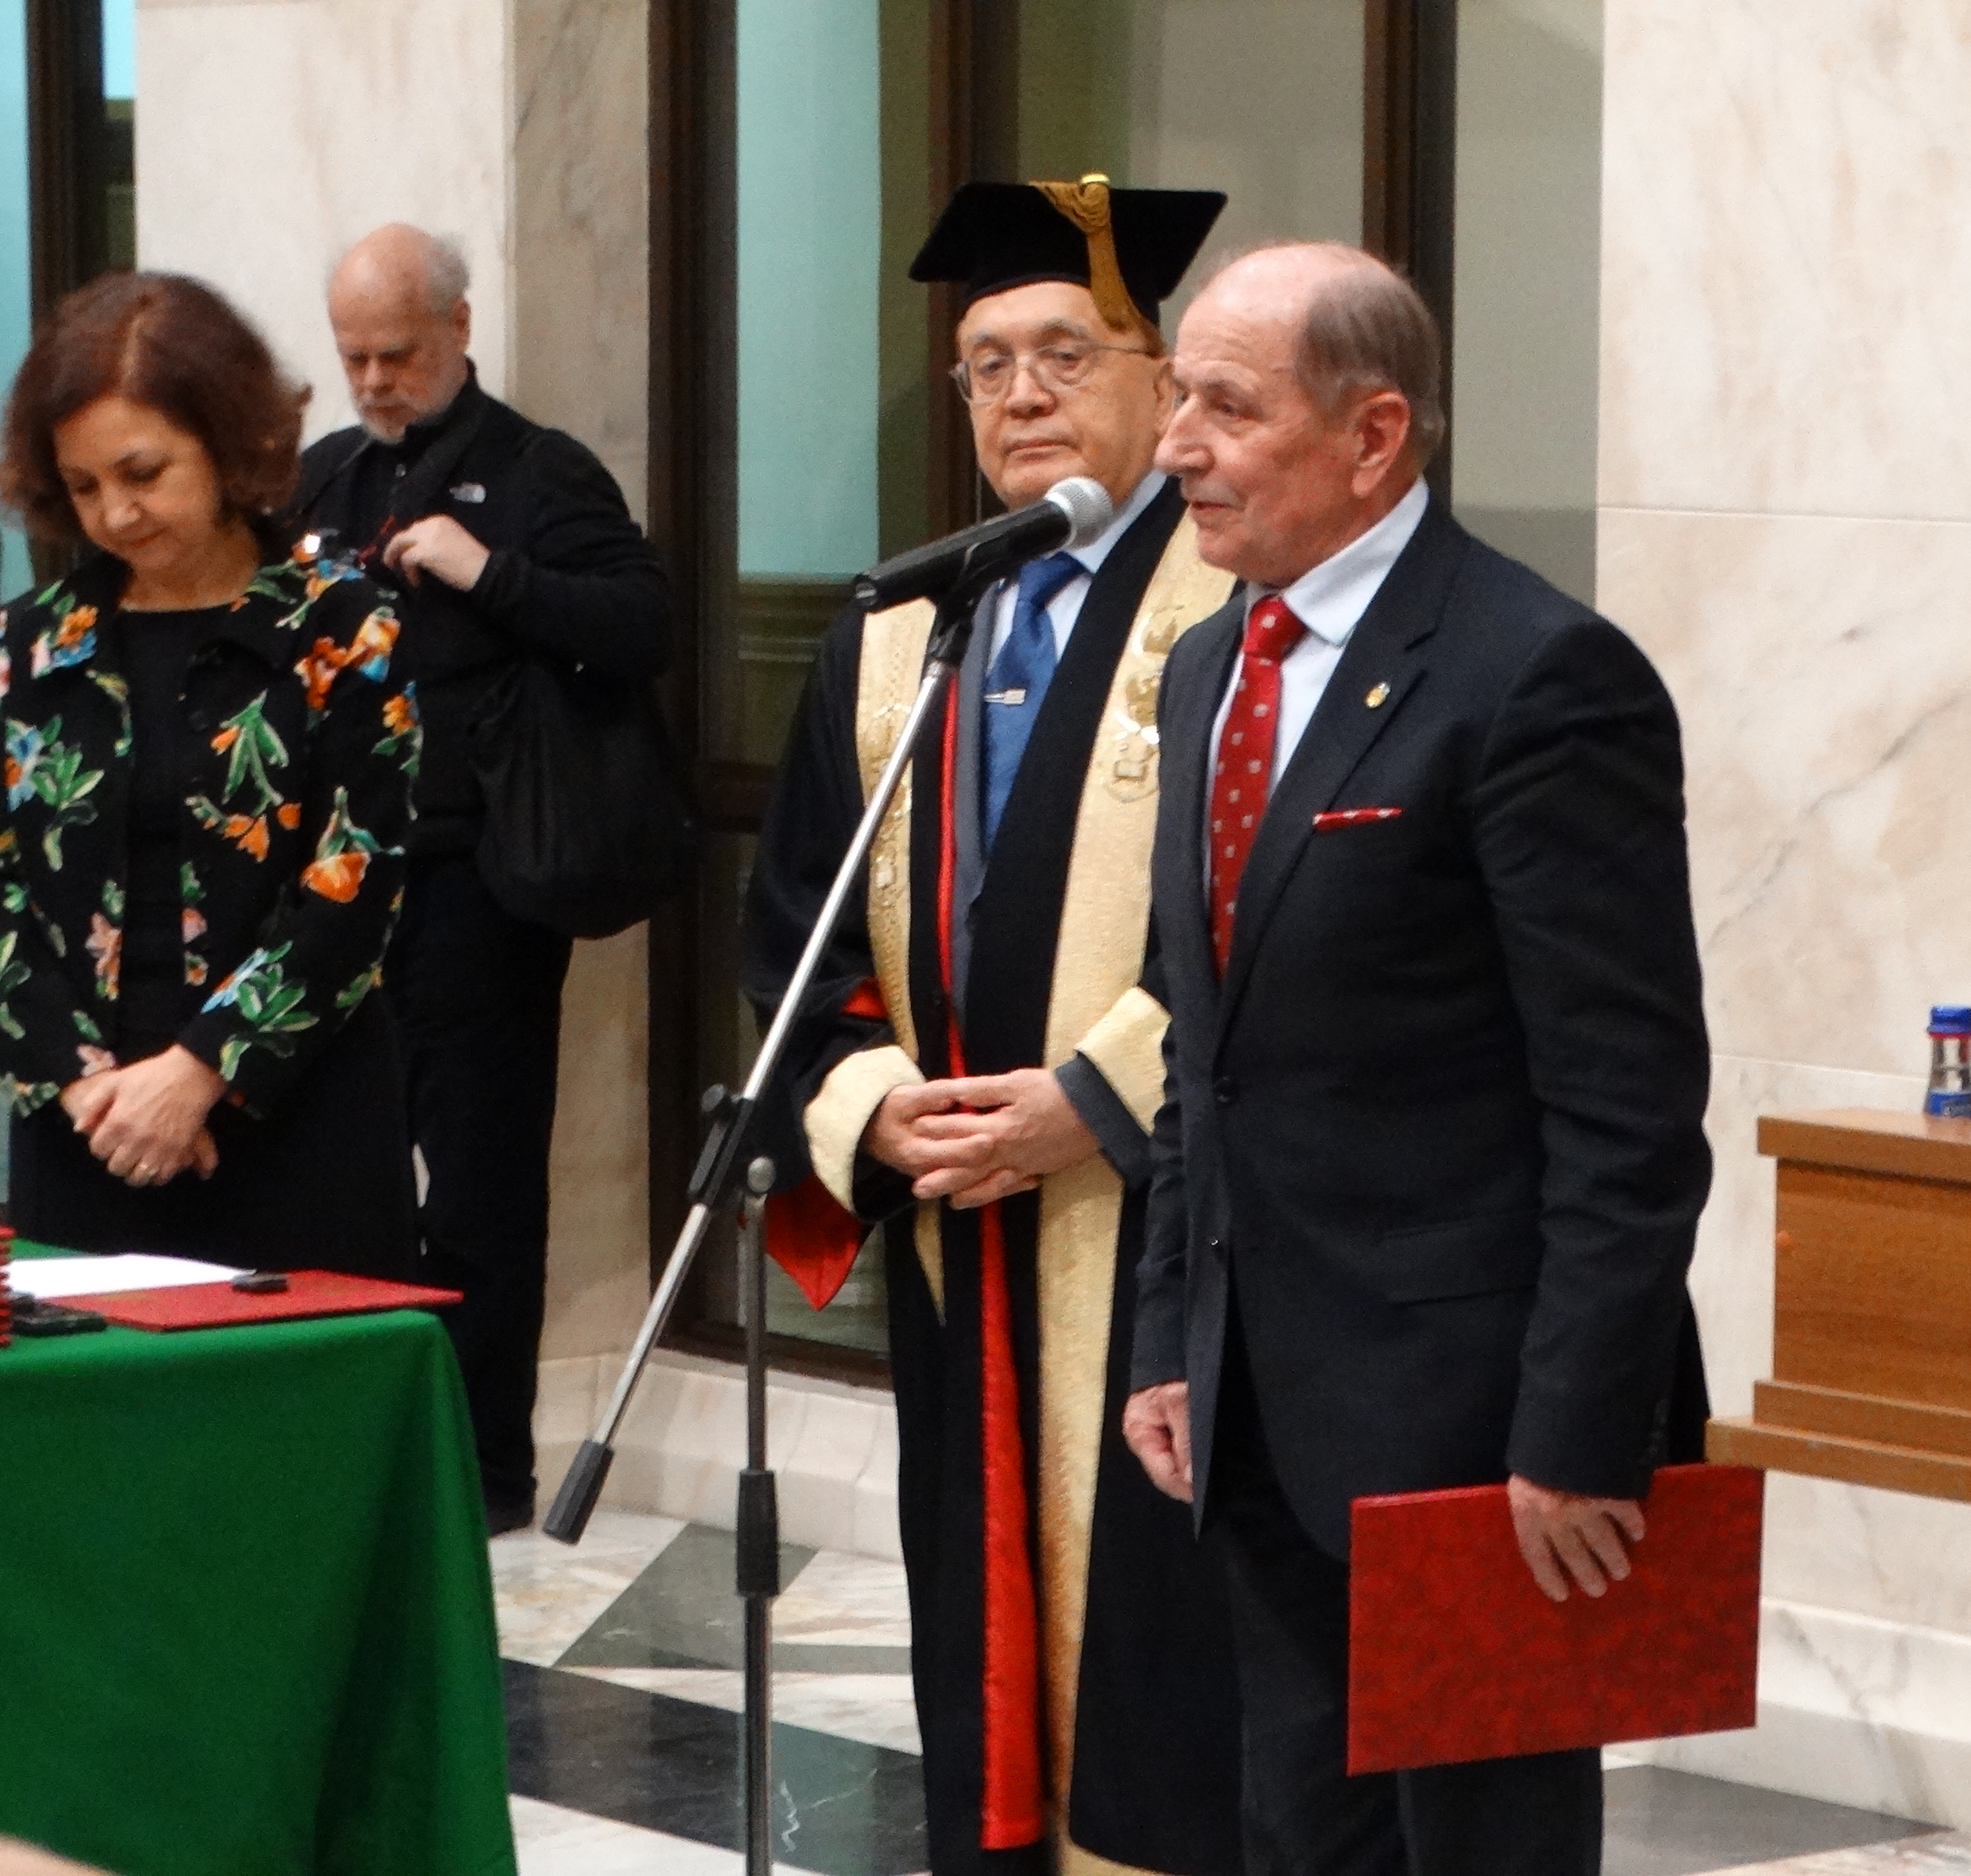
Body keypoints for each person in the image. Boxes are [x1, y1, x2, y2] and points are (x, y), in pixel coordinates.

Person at [1118, 243, 1714, 1876]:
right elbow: (1200, 1055)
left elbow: (1629, 1108)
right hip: (1257, 1410)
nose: (1175, 445)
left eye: (1225, 407)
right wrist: (1170, 1332)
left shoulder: (1538, 675)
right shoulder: (1209, 662)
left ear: (1373, 435)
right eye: (1175, 398)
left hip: (1476, 1442)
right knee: (1302, 1842)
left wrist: (1577, 1429)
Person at [745, 175, 1244, 1876]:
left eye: (1064, 352)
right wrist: (873, 1106)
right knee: (980, 1622)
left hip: (1169, 1221)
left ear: (1161, 376)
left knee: (1172, 1645)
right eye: (984, 366)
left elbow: (1273, 922)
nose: (1021, 394)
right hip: (961, 1215)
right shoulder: (909, 625)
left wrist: (1094, 1098)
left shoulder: (1235, 599)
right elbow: (799, 928)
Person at [294, 224, 672, 1535]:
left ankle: (485, 1471)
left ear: (459, 328)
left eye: (397, 353)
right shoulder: (327, 476)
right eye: (354, 357)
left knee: (478, 1191)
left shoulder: (537, 469)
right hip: (338, 892)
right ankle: (364, 1446)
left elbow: (642, 625)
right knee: (342, 1180)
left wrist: (490, 573)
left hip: (476, 893)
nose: (376, 380)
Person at [0, 272, 418, 1277]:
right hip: (89, 1130)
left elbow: (356, 881)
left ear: (229, 443)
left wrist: (199, 1073)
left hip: (296, 1119)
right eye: (83, 487)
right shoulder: (31, 644)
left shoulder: (342, 625)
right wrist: (86, 1089)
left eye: (143, 473)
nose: (117, 513)